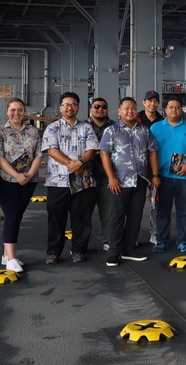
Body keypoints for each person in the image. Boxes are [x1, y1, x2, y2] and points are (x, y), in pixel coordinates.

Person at [100, 97, 160, 266]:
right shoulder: (111, 131)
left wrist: (155, 176)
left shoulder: (145, 131)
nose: (130, 111)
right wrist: (111, 178)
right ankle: (113, 252)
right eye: (126, 108)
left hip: (140, 180)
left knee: (135, 216)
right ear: (119, 111)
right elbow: (104, 154)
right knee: (117, 217)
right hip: (120, 181)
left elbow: (153, 152)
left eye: (133, 108)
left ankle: (129, 250)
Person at [41, 92, 99, 264]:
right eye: (66, 104)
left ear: (78, 107)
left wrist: (80, 162)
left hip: (82, 181)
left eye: (73, 104)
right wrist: (70, 164)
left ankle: (79, 250)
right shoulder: (53, 128)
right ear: (60, 108)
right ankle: (53, 252)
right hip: (57, 181)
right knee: (56, 218)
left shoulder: (86, 128)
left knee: (81, 218)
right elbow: (51, 149)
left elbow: (92, 149)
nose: (69, 107)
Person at [0, 98, 42, 273]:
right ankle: (11, 258)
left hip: (29, 180)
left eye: (20, 110)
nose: (16, 113)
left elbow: (38, 154)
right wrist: (17, 175)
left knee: (17, 216)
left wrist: (29, 174)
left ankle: (7, 254)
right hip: (7, 179)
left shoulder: (32, 131)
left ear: (24, 111)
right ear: (7, 111)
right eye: (13, 110)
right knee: (12, 216)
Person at [150, 97, 186, 252]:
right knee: (162, 211)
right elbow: (149, 152)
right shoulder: (155, 128)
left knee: (184, 211)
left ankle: (183, 241)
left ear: (182, 110)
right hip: (162, 177)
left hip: (184, 177)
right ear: (165, 110)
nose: (174, 110)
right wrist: (153, 176)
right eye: (171, 107)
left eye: (177, 107)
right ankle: (161, 241)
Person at [88, 97, 115, 251]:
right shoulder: (83, 127)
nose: (100, 109)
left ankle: (107, 239)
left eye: (103, 107)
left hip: (107, 177)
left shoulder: (115, 127)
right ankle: (81, 244)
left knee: (108, 213)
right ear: (91, 109)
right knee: (84, 214)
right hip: (86, 178)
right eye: (96, 106)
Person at [138, 90, 164, 244]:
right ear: (144, 102)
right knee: (136, 204)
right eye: (149, 101)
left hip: (156, 169)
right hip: (139, 169)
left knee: (155, 203)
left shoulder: (162, 121)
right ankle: (132, 236)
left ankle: (155, 233)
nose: (152, 104)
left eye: (155, 101)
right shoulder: (136, 119)